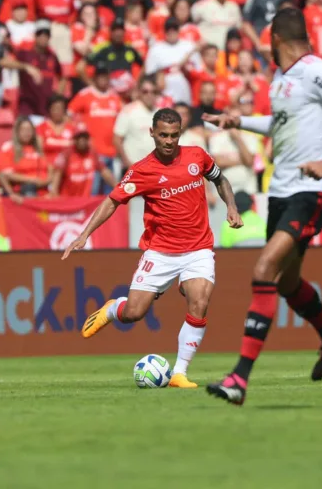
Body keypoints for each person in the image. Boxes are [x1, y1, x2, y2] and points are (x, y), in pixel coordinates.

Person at [201, 7, 322, 405]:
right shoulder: (281, 80)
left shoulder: (317, 70)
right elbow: (281, 124)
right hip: (280, 191)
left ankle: (239, 379)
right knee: (288, 284)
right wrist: (238, 122)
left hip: (312, 190)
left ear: (275, 38)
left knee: (263, 269)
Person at [62, 108, 242, 389]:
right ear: (152, 133)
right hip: (160, 251)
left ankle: (179, 373)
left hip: (198, 249)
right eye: (163, 136)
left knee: (199, 300)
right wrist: (84, 234)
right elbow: (112, 201)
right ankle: (112, 309)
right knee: (134, 313)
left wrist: (231, 206)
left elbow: (220, 179)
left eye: (174, 135)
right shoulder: (141, 170)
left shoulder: (197, 156)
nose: (169, 141)